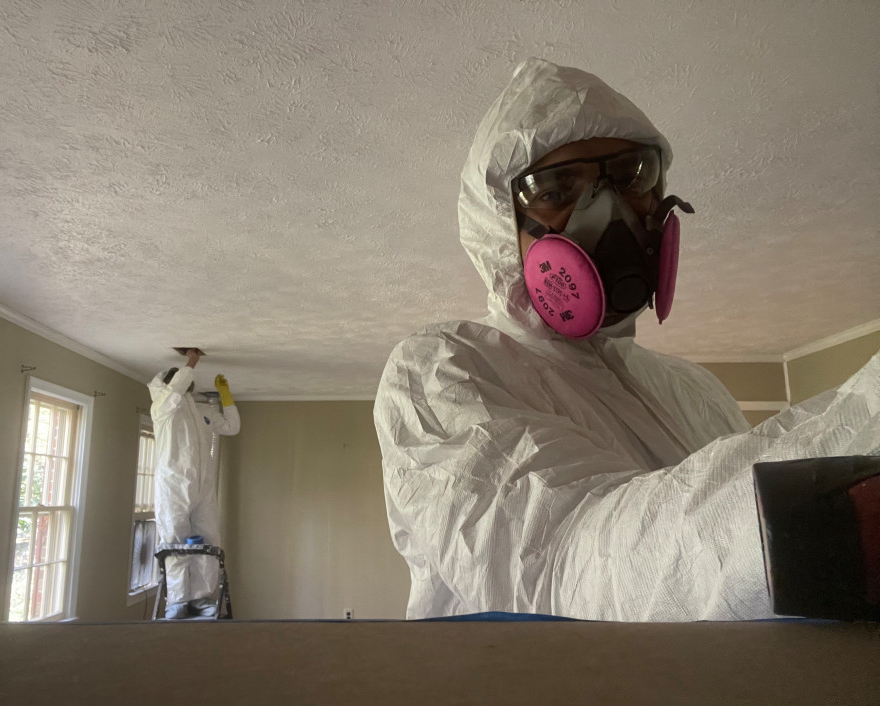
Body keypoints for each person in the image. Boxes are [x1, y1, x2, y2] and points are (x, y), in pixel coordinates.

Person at [373, 59, 880, 621]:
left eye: (633, 173)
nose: (611, 210)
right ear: (498, 225)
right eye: (558, 188)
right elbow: (562, 574)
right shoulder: (442, 370)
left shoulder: (697, 391)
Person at [148, 348, 240, 619]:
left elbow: (232, 427)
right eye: (180, 381)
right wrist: (190, 364)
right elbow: (173, 394)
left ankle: (200, 597)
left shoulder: (201, 415)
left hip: (204, 487)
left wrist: (226, 397)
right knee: (175, 542)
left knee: (208, 541)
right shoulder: (162, 410)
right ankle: (177, 601)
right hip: (173, 486)